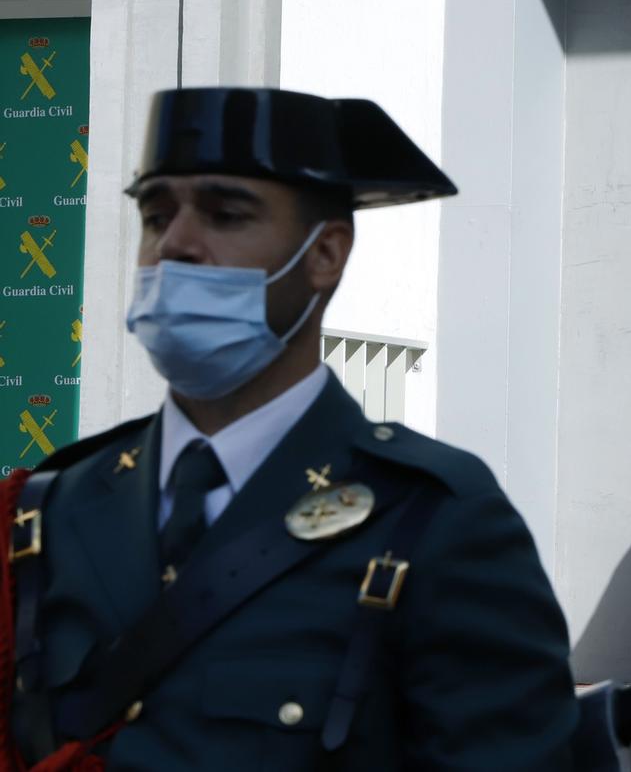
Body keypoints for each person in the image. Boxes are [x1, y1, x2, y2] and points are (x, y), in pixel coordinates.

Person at [1, 87, 578, 769]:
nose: (175, 243)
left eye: (225, 213)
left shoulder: (435, 518)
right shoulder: (53, 506)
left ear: (325, 254)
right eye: (156, 215)